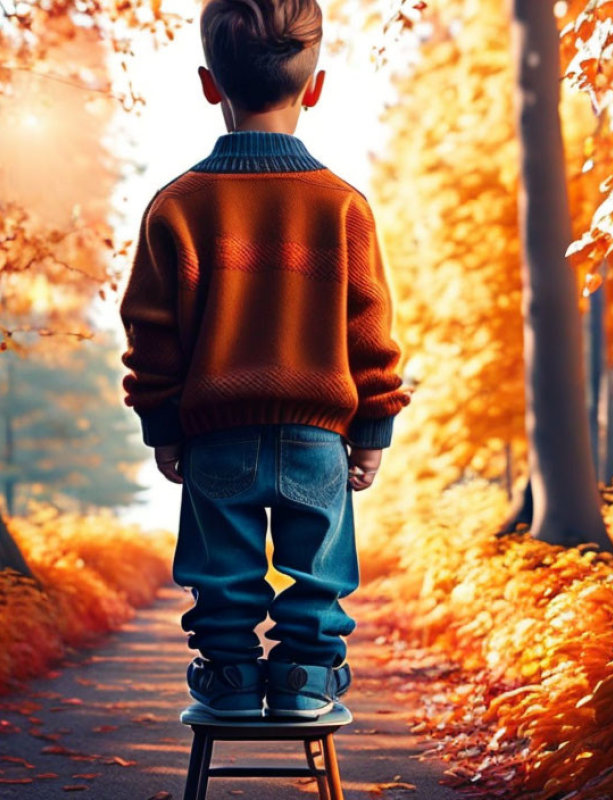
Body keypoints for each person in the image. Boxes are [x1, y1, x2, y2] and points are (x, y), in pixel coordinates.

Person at [118, 0, 411, 719]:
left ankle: (229, 683)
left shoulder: (176, 206)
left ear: (208, 83)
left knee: (222, 575)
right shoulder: (343, 206)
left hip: (216, 437)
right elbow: (369, 331)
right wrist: (372, 433)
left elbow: (150, 334)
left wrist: (164, 428)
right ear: (314, 88)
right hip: (319, 437)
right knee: (319, 574)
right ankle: (308, 682)